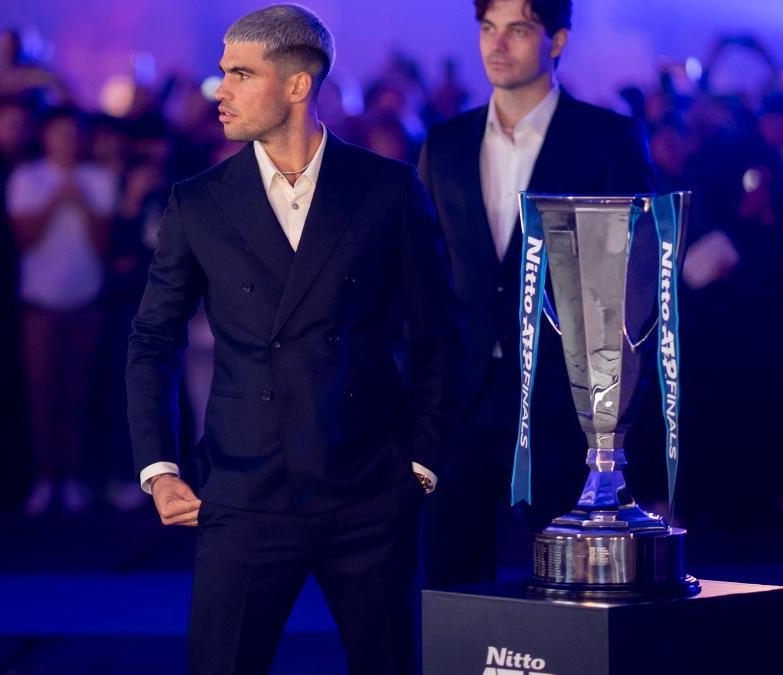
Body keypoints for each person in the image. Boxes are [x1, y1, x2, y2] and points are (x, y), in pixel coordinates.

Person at [125, 6, 458, 674]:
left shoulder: (387, 188)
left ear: (298, 85)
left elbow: (440, 335)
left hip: (368, 488)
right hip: (243, 489)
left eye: (241, 74)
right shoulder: (198, 201)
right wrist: (159, 468)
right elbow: (154, 337)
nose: (220, 90)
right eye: (223, 72)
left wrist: (421, 459)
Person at [417, 0, 655, 588]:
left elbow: (637, 278)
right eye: (488, 28)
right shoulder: (445, 144)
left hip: (567, 405)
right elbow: (424, 275)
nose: (497, 44)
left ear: (557, 40)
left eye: (518, 30)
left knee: (575, 593)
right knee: (451, 589)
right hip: (464, 400)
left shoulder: (607, 139)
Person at [8, 107, 117, 515]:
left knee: (77, 392)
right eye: (59, 133)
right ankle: (43, 477)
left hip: (86, 300)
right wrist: (55, 199)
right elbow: (23, 239)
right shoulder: (27, 178)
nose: (66, 141)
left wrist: (84, 202)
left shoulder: (99, 179)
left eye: (72, 134)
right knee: (42, 394)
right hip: (40, 303)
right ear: (46, 137)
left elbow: (104, 243)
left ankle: (71, 478)